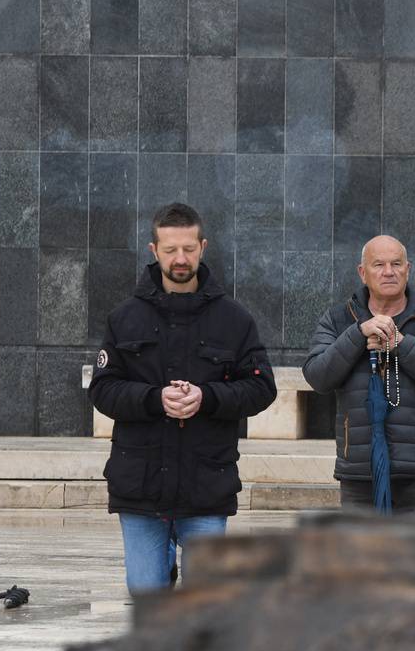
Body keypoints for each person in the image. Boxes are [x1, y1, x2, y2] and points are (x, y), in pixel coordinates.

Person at [89, 203, 277, 593]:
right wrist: (154, 399)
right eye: (170, 249)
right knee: (147, 595)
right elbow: (103, 390)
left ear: (203, 246)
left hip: (206, 483)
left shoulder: (235, 319)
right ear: (153, 249)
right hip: (140, 484)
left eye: (189, 248)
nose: (180, 259)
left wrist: (206, 398)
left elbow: (262, 387)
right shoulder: (124, 318)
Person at [304, 236, 415, 512]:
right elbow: (318, 377)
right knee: (361, 556)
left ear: (408, 269)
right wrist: (357, 335)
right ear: (362, 272)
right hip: (359, 470)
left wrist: (401, 344)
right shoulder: (338, 319)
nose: (388, 272)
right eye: (378, 264)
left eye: (396, 264)